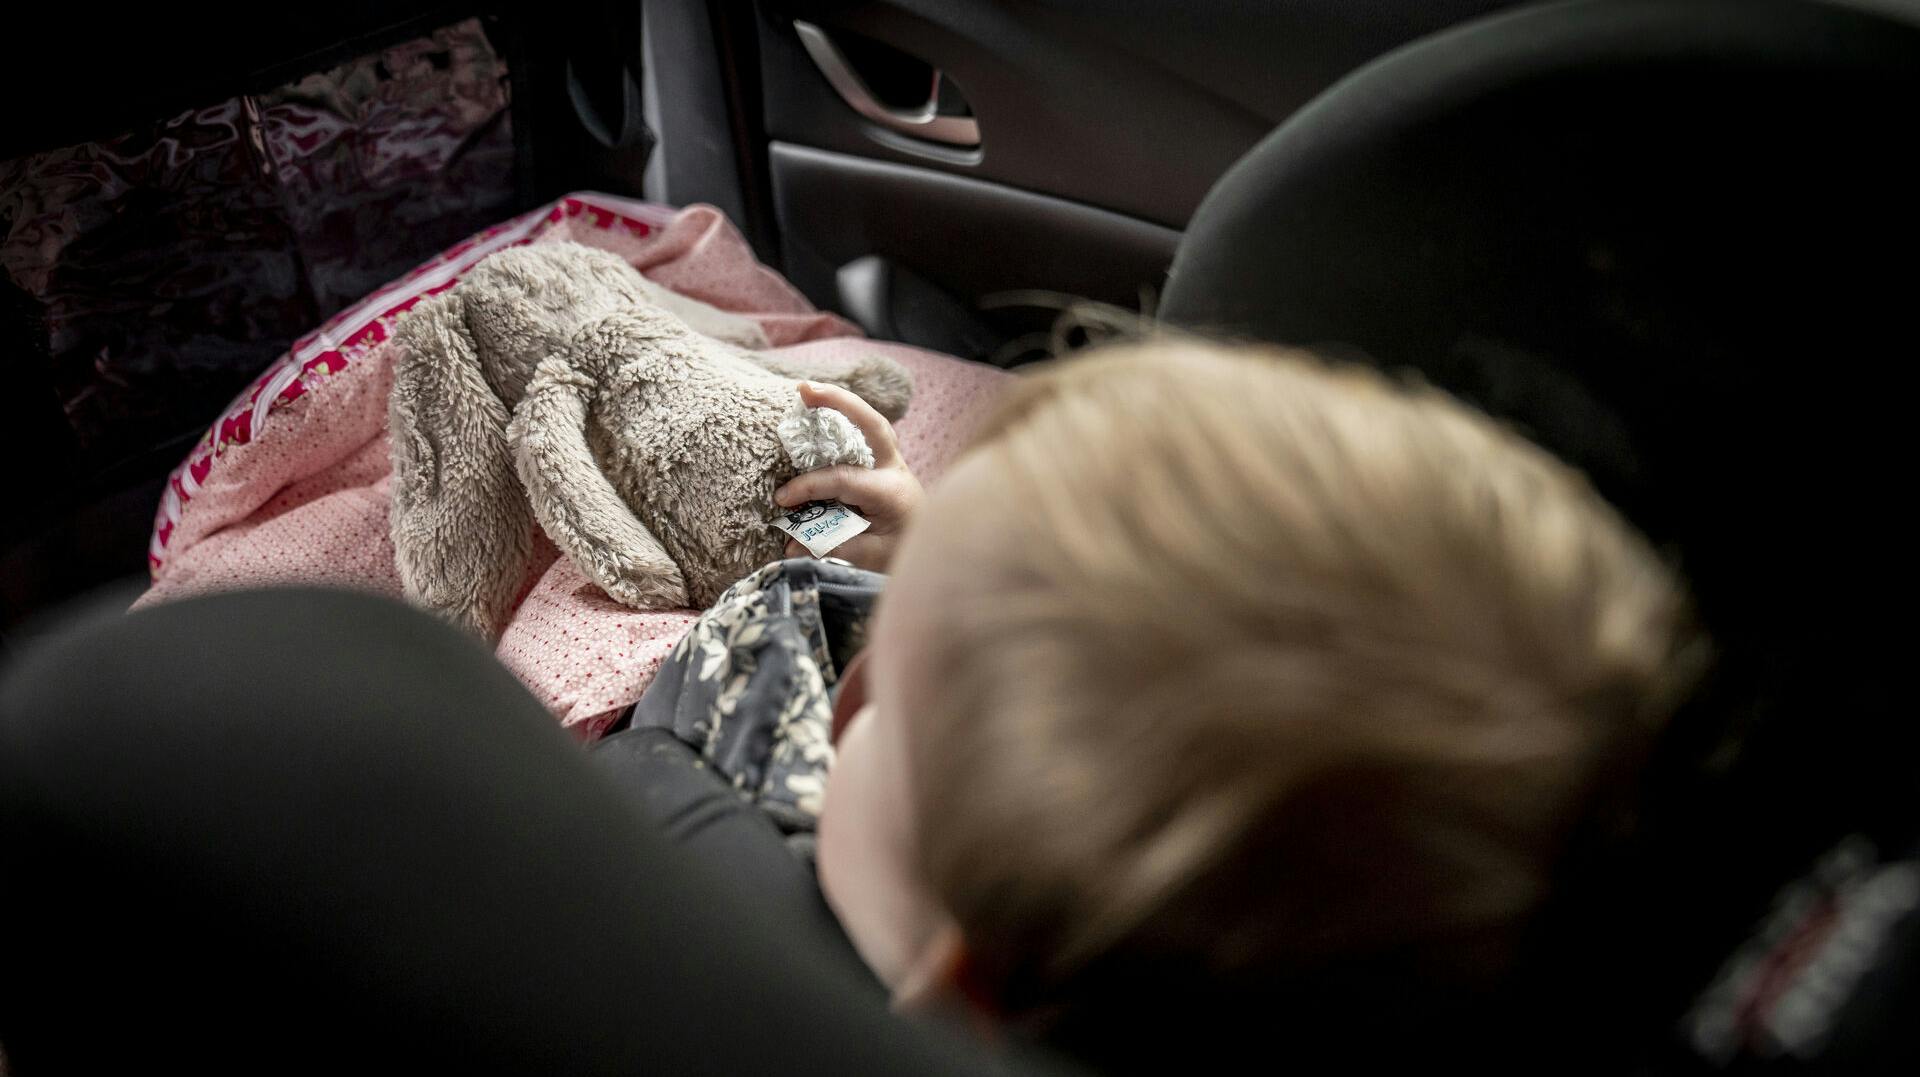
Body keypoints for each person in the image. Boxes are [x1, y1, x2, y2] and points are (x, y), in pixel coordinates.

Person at [0, 337, 1699, 1073]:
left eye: (882, 691)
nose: (857, 644)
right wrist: (946, 555)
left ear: (957, 983)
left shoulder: (704, 922)